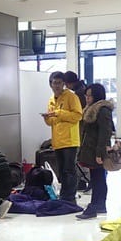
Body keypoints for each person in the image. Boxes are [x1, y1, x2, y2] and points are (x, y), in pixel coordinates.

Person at [41, 71, 83, 202]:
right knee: (61, 171)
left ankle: (69, 197)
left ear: (64, 84)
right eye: (55, 83)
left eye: (60, 83)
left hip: (70, 140)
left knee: (69, 170)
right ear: (50, 84)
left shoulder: (71, 97)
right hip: (57, 141)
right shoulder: (51, 100)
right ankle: (64, 195)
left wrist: (59, 113)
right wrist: (47, 118)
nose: (57, 86)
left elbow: (78, 116)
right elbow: (51, 122)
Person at [76, 83, 115, 220]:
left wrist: (100, 153)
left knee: (98, 179)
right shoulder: (91, 108)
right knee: (96, 178)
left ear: (96, 96)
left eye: (89, 96)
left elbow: (105, 133)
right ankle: (98, 205)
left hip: (96, 150)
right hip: (90, 149)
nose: (87, 98)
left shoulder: (102, 110)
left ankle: (95, 205)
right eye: (86, 95)